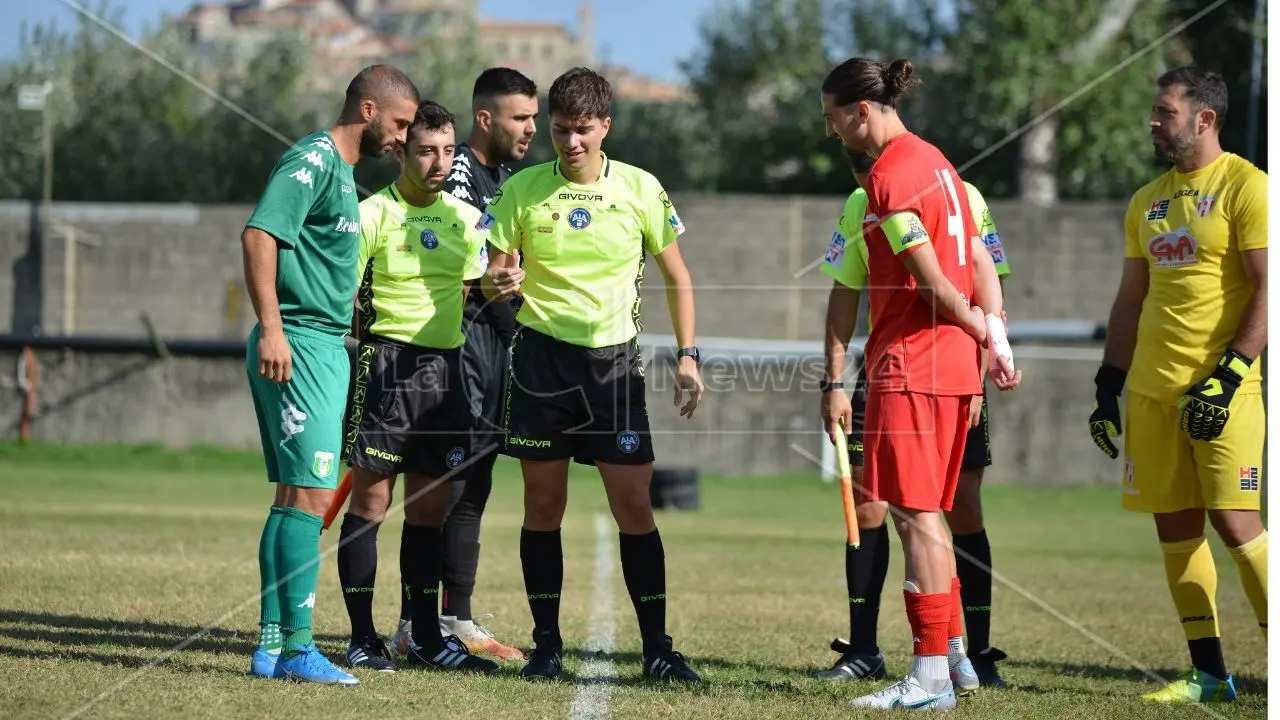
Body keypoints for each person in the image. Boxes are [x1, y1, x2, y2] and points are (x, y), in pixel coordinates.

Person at [479, 66, 706, 683]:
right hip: (540, 364)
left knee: (634, 504)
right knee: (542, 503)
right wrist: (499, 282)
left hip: (612, 370)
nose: (570, 142)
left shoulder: (640, 188)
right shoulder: (522, 190)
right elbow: (496, 276)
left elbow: (678, 276)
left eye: (582, 130)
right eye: (559, 130)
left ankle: (658, 648)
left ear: (605, 126)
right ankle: (546, 646)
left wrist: (688, 356)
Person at [818, 56, 1020, 710]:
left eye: (833, 121)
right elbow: (981, 268)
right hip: (952, 367)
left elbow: (933, 283)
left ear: (861, 111)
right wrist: (992, 332)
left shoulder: (890, 175)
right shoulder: (940, 164)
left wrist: (983, 330)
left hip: (917, 363)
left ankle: (929, 674)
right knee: (930, 513)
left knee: (918, 519)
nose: (833, 135)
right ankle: (955, 659)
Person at [1090, 66, 1267, 704]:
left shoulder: (1248, 186)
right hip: (1152, 393)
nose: (1153, 122)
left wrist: (1228, 375)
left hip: (1226, 391)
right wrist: (1109, 382)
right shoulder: (1148, 201)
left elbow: (1268, 293)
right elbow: (1130, 301)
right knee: (1176, 529)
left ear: (1204, 118)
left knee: (1236, 521)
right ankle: (1209, 674)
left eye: (1164, 111)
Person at [242, 65, 419, 685]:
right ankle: (298, 649)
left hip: (319, 346)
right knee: (314, 498)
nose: (402, 137)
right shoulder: (315, 158)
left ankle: (270, 643)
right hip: (301, 345)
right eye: (399, 124)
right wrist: (272, 328)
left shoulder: (343, 176)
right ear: (368, 111)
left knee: (293, 497)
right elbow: (261, 234)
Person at [336, 100, 499, 675]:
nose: (438, 161)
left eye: (448, 151)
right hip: (386, 369)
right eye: (426, 149)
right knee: (373, 503)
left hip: (447, 372)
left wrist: (501, 284)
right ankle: (361, 637)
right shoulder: (372, 213)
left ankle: (425, 635)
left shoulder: (467, 219)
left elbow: (491, 288)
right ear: (403, 150)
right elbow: (345, 301)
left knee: (429, 511)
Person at [385, 67, 538, 663]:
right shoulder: (458, 175)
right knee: (439, 485)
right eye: (521, 117)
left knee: (475, 479)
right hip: (459, 347)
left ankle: (456, 617)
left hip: (497, 349)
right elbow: (478, 277)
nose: (531, 129)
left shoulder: (510, 179)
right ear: (486, 118)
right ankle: (412, 621)